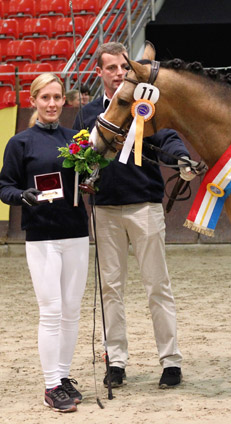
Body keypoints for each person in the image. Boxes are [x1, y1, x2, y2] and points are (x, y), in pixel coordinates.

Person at [73, 42, 194, 390]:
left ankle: (170, 361)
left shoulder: (146, 106)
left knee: (158, 285)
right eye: (110, 68)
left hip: (144, 206)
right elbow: (78, 154)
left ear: (130, 69)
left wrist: (180, 158)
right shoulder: (88, 114)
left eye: (122, 67)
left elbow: (168, 139)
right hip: (106, 210)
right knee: (111, 289)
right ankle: (117, 361)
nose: (117, 74)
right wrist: (82, 174)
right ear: (100, 72)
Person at [0, 73, 89, 413]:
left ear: (64, 100)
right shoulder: (20, 143)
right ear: (34, 101)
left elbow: (86, 179)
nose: (52, 104)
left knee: (71, 311)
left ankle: (64, 376)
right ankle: (51, 384)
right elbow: (4, 187)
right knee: (51, 311)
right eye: (45, 98)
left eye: (57, 97)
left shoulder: (76, 140)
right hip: (42, 237)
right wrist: (23, 195)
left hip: (76, 233)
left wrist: (89, 185)